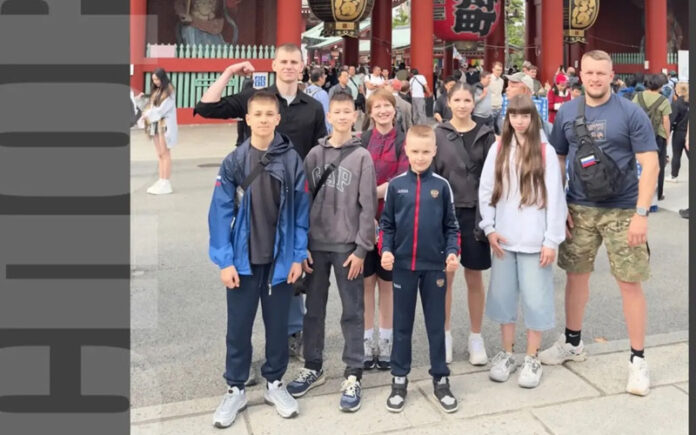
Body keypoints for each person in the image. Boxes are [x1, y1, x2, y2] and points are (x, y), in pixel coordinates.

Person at [194, 42, 327, 364]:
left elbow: (319, 153)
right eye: (283, 61)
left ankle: (291, 335)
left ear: (302, 66)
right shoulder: (256, 99)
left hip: (292, 198)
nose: (289, 66)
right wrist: (229, 71)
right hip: (252, 197)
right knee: (248, 274)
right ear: (274, 64)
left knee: (292, 271)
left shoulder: (312, 107)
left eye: (294, 62)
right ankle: (244, 351)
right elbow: (205, 107)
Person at [540, 50, 659, 397]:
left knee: (629, 282)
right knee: (575, 276)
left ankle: (638, 359)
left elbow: (650, 164)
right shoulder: (567, 111)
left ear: (611, 75)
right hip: (579, 206)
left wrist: (641, 213)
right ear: (580, 74)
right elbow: (557, 159)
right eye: (589, 72)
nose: (594, 78)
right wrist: (559, 206)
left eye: (601, 73)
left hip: (623, 209)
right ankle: (572, 342)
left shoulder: (630, 112)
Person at [208, 90, 310, 428]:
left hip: (279, 261)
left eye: (270, 114)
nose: (264, 119)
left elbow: (301, 212)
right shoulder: (234, 161)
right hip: (242, 261)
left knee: (277, 327)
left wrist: (297, 256)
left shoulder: (291, 160)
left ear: (278, 119)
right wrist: (224, 261)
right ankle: (235, 388)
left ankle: (275, 383)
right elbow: (220, 212)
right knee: (238, 327)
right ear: (248, 119)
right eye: (258, 114)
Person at [286, 92, 377, 412]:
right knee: (314, 310)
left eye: (346, 111)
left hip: (348, 247)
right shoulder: (314, 155)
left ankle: (353, 371)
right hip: (316, 246)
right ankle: (313, 364)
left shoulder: (362, 156)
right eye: (336, 111)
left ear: (355, 116)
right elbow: (302, 202)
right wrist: (301, 246)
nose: (341, 116)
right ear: (328, 116)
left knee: (352, 310)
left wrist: (363, 249)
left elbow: (368, 207)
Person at [478, 94, 567, 389]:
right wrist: (489, 228)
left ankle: (532, 356)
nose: (519, 121)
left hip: (535, 239)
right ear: (507, 118)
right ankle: (507, 353)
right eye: (514, 115)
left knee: (536, 299)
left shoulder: (545, 151)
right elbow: (487, 190)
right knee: (503, 299)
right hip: (503, 238)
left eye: (524, 115)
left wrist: (551, 240)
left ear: (533, 117)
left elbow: (555, 197)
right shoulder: (498, 148)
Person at [380, 125, 461, 414]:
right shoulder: (396, 186)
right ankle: (399, 378)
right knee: (402, 326)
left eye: (426, 151)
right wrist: (386, 250)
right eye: (415, 151)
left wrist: (452, 252)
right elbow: (386, 225)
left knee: (436, 325)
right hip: (403, 267)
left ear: (434, 151)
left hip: (434, 268)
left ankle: (440, 378)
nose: (420, 156)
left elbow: (452, 227)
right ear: (406, 151)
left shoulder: (442, 186)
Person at [434, 83, 496, 364]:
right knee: (445, 277)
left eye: (466, 100)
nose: (462, 105)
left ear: (474, 102)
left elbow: (494, 176)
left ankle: (475, 336)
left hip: (476, 213)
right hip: (445, 212)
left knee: (474, 275)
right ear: (448, 102)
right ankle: (445, 334)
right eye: (457, 100)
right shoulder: (438, 134)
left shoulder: (486, 134)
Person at [359, 89, 409, 371]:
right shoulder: (362, 140)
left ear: (394, 109)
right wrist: (370, 195)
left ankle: (387, 340)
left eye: (387, 106)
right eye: (376, 107)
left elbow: (400, 181)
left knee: (387, 283)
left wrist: (367, 192)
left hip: (393, 221)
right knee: (366, 283)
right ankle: (367, 341)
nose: (382, 111)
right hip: (364, 221)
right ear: (370, 112)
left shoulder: (403, 141)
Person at [633, 74, 671, 201]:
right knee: (658, 165)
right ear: (660, 86)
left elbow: (632, 114)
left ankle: (639, 192)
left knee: (640, 164)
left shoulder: (638, 97)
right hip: (658, 135)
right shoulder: (663, 100)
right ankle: (658, 193)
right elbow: (666, 120)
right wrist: (667, 136)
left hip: (640, 135)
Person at [141, 68, 178, 195]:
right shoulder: (157, 91)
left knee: (165, 153)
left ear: (163, 78)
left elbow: (162, 110)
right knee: (160, 154)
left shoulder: (169, 92)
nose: (155, 82)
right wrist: (147, 112)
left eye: (157, 79)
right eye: (153, 80)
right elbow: (152, 107)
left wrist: (148, 114)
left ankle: (166, 182)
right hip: (156, 124)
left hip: (164, 125)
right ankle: (161, 180)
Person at [667, 82, 689, 182]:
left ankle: (673, 176)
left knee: (676, 154)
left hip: (679, 132)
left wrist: (668, 133)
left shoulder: (676, 104)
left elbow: (671, 120)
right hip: (689, 132)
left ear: (677, 90)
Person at [305, 67, 332, 134]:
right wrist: (329, 130)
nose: (325, 78)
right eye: (324, 76)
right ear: (320, 78)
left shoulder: (305, 90)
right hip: (318, 128)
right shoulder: (322, 93)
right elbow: (326, 113)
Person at [489, 61, 505, 125]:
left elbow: (500, 93)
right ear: (493, 69)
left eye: (500, 70)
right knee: (491, 127)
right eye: (497, 70)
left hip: (499, 107)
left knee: (500, 127)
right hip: (491, 107)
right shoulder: (489, 79)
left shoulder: (502, 81)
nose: (499, 72)